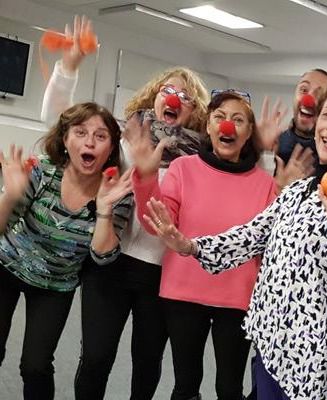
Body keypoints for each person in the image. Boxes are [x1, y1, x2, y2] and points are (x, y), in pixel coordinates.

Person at [144, 78, 327, 400]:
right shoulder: (297, 190)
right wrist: (192, 246)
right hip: (269, 339)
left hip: (306, 353)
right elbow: (252, 235)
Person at [39, 15, 211, 399]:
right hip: (108, 264)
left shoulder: (201, 158)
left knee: (147, 363)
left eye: (185, 96)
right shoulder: (128, 137)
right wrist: (68, 67)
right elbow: (60, 118)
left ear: (195, 109)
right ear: (153, 95)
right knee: (96, 357)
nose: (174, 99)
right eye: (168, 90)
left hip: (162, 274)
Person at [131, 91, 276, 399]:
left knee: (229, 387)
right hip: (185, 293)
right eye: (220, 118)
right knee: (185, 385)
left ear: (249, 133)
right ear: (208, 127)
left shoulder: (266, 185)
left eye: (238, 120)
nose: (228, 126)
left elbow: (268, 249)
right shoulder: (183, 168)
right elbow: (159, 223)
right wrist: (145, 178)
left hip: (238, 300)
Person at [0, 102, 133, 400]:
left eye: (100, 136)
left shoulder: (116, 192)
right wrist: (10, 195)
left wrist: (104, 211)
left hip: (56, 284)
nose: (89, 142)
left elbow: (102, 257)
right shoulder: (43, 170)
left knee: (35, 367)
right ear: (65, 139)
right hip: (6, 266)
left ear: (111, 147)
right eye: (81, 132)